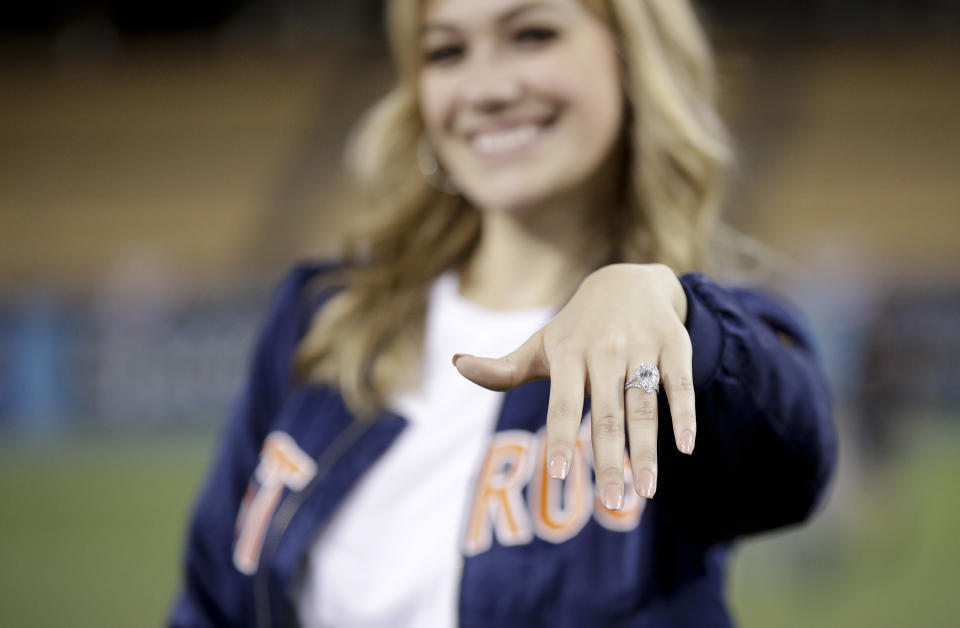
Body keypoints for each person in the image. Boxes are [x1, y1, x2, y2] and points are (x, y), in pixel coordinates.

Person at [169, 0, 838, 626]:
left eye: (531, 35)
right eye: (446, 52)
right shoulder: (323, 317)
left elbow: (789, 462)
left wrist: (674, 312)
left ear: (633, 58)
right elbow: (210, 603)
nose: (485, 88)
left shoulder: (684, 331)